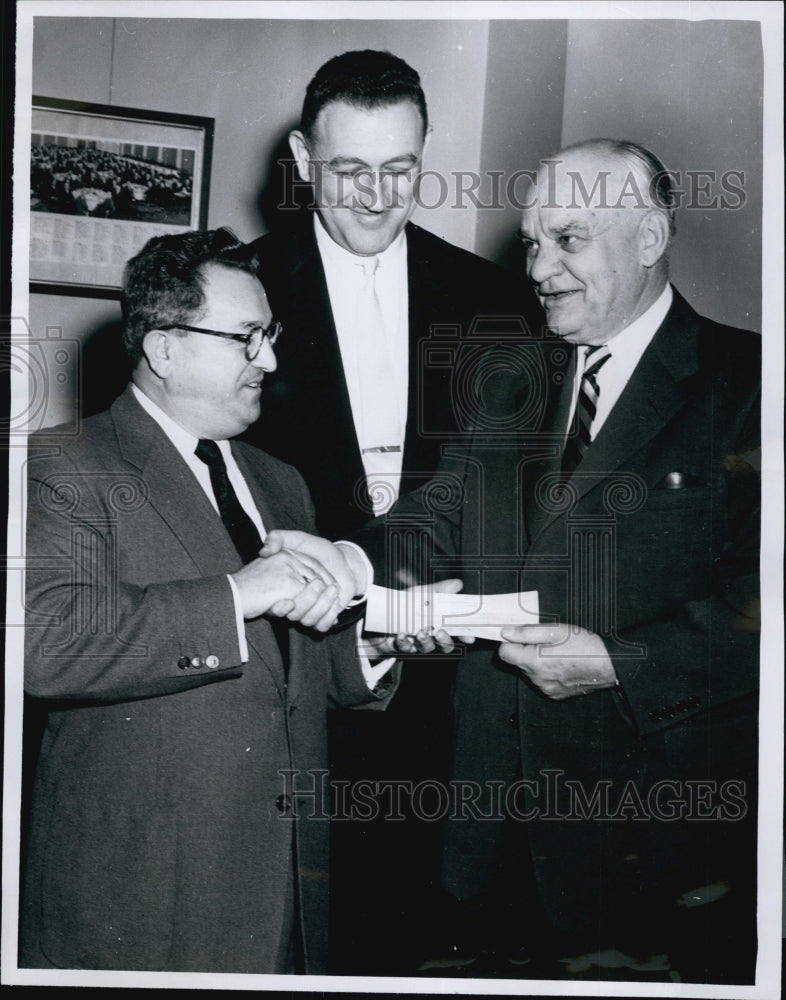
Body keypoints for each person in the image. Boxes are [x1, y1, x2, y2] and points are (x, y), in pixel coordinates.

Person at [288, 138, 761, 982]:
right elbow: (436, 514)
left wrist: (619, 662)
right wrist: (353, 566)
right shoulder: (511, 375)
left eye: (568, 240)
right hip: (486, 832)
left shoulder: (754, 384)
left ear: (650, 238)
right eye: (534, 242)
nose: (539, 269)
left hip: (652, 840)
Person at [19, 228, 405, 974]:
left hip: (283, 884)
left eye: (270, 335)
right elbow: (48, 645)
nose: (271, 360)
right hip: (142, 892)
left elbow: (283, 671)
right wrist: (239, 591)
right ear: (164, 350)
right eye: (246, 338)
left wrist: (369, 648)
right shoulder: (64, 463)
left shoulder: (280, 480)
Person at [245, 48, 542, 973]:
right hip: (285, 674)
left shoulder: (494, 298)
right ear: (303, 159)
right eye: (349, 170)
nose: (377, 197)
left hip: (444, 689)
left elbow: (507, 490)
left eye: (401, 169)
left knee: (415, 938)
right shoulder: (236, 289)